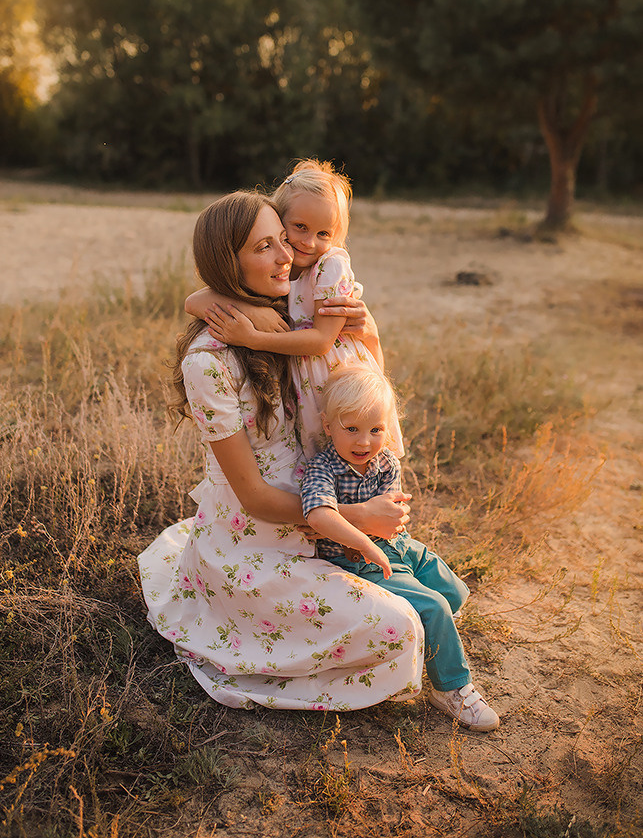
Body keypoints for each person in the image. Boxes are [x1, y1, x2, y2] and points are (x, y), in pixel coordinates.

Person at [138, 191, 425, 710]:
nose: (287, 256)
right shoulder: (209, 361)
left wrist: (370, 331)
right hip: (260, 542)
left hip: (319, 513)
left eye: (282, 241)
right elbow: (254, 498)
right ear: (230, 262)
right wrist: (357, 517)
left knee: (427, 597)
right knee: (400, 625)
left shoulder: (290, 316)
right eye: (263, 247)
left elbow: (359, 388)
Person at [300, 364, 500, 732]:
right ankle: (452, 688)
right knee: (435, 606)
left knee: (455, 592)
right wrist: (364, 543)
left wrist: (394, 519)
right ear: (329, 427)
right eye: (352, 429)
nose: (364, 442)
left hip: (398, 547)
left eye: (376, 430)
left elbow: (392, 510)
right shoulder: (321, 469)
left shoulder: (386, 461)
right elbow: (319, 516)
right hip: (359, 560)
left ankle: (433, 634)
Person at [187, 159, 404, 459]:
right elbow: (193, 301)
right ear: (279, 220)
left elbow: (322, 341)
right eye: (299, 227)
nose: (308, 242)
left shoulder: (330, 266)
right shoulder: (283, 267)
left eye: (324, 234)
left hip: (343, 383)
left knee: (365, 458)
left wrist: (253, 338)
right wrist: (252, 311)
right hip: (312, 384)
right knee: (327, 467)